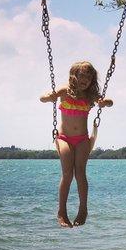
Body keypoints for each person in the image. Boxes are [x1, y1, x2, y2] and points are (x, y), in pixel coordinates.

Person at [40, 61, 113, 228]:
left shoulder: (90, 95)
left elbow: (109, 101)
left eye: (89, 77)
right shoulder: (65, 91)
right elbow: (42, 97)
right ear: (74, 76)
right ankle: (62, 212)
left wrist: (105, 103)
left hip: (82, 140)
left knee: (80, 172)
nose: (85, 80)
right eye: (82, 75)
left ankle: (83, 209)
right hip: (64, 138)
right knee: (67, 174)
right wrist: (49, 98)